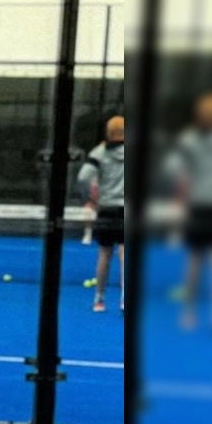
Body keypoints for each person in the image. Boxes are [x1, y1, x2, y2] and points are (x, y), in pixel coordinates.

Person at [165, 92, 212, 330]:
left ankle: (188, 314)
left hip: (197, 208)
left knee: (194, 261)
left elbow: (178, 175)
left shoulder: (188, 140)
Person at [77, 116, 124, 313]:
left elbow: (83, 177)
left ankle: (99, 299)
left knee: (104, 254)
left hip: (106, 209)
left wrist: (91, 197)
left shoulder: (99, 152)